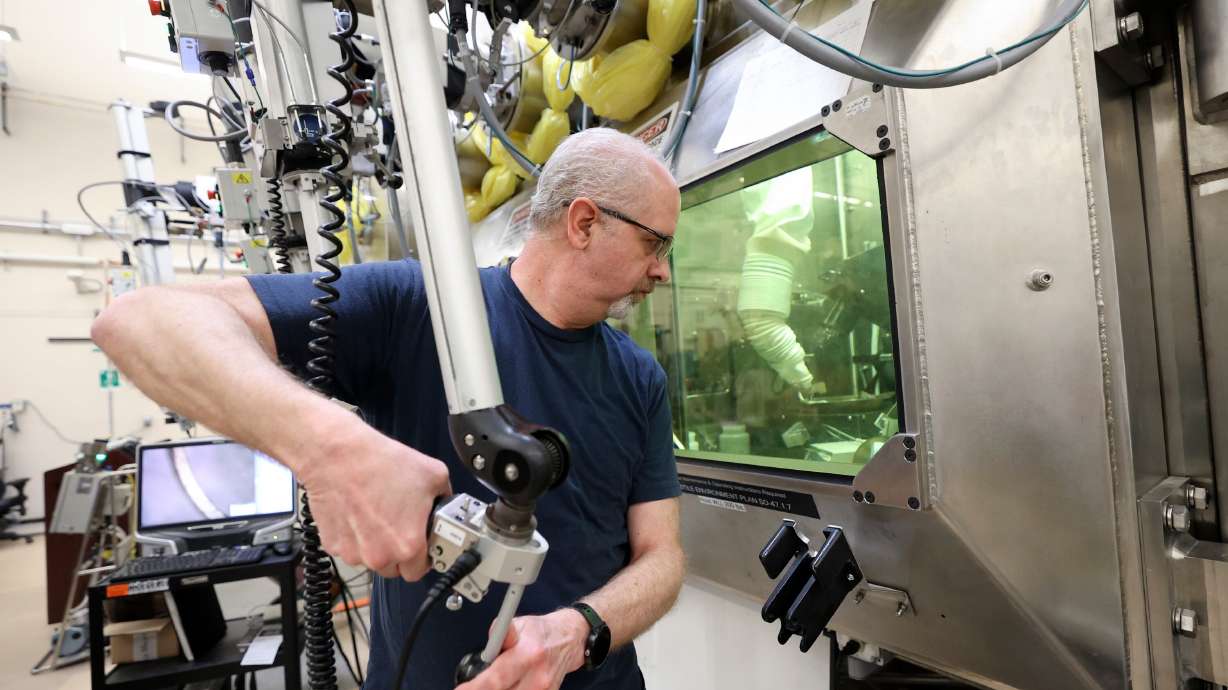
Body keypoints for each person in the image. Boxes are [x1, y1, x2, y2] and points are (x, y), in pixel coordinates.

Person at [92, 127, 685, 690]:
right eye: (654, 242)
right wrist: (329, 449)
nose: (661, 268)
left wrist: (575, 632)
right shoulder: (419, 307)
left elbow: (662, 557)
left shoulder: (640, 377)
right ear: (584, 223)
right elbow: (140, 322)